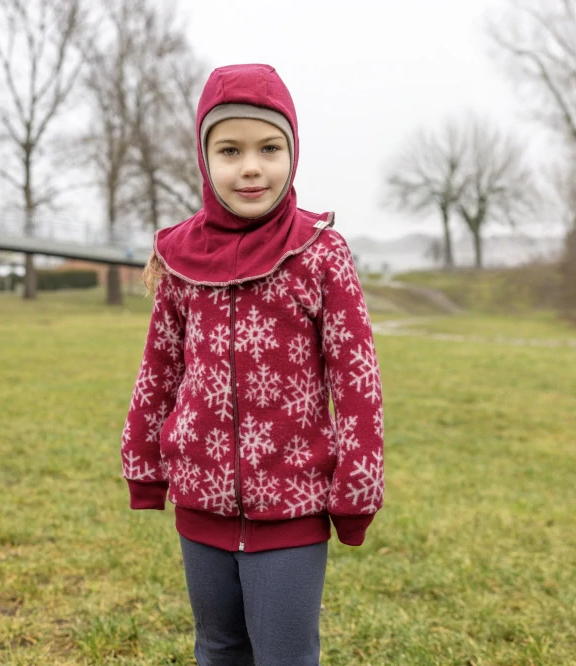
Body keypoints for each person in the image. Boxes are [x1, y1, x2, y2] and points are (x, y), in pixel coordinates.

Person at [120, 63, 384, 666]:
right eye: (230, 149)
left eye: (269, 148)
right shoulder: (181, 259)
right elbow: (159, 366)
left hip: (292, 504)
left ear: (292, 151)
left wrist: (357, 484)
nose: (250, 167)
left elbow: (357, 377)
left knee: (285, 655)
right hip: (199, 500)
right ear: (204, 157)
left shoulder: (321, 254)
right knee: (217, 647)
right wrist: (144, 463)